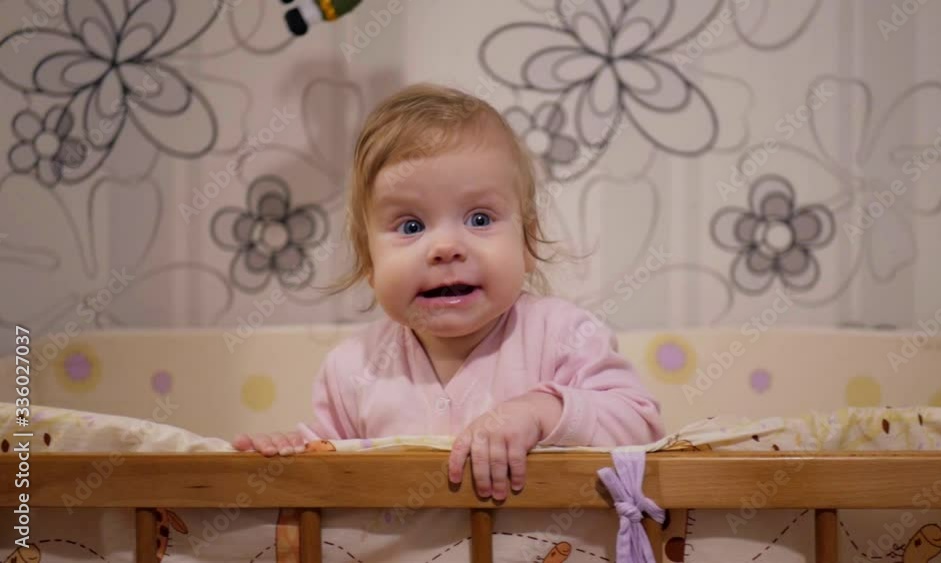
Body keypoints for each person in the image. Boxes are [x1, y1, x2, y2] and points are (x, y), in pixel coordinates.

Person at [232, 83, 665, 501]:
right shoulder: (354, 368)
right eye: (411, 226)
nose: (445, 248)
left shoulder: (563, 334)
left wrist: (539, 412)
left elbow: (641, 427)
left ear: (528, 241)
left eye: (479, 219)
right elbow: (329, 465)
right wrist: (291, 451)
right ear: (369, 262)